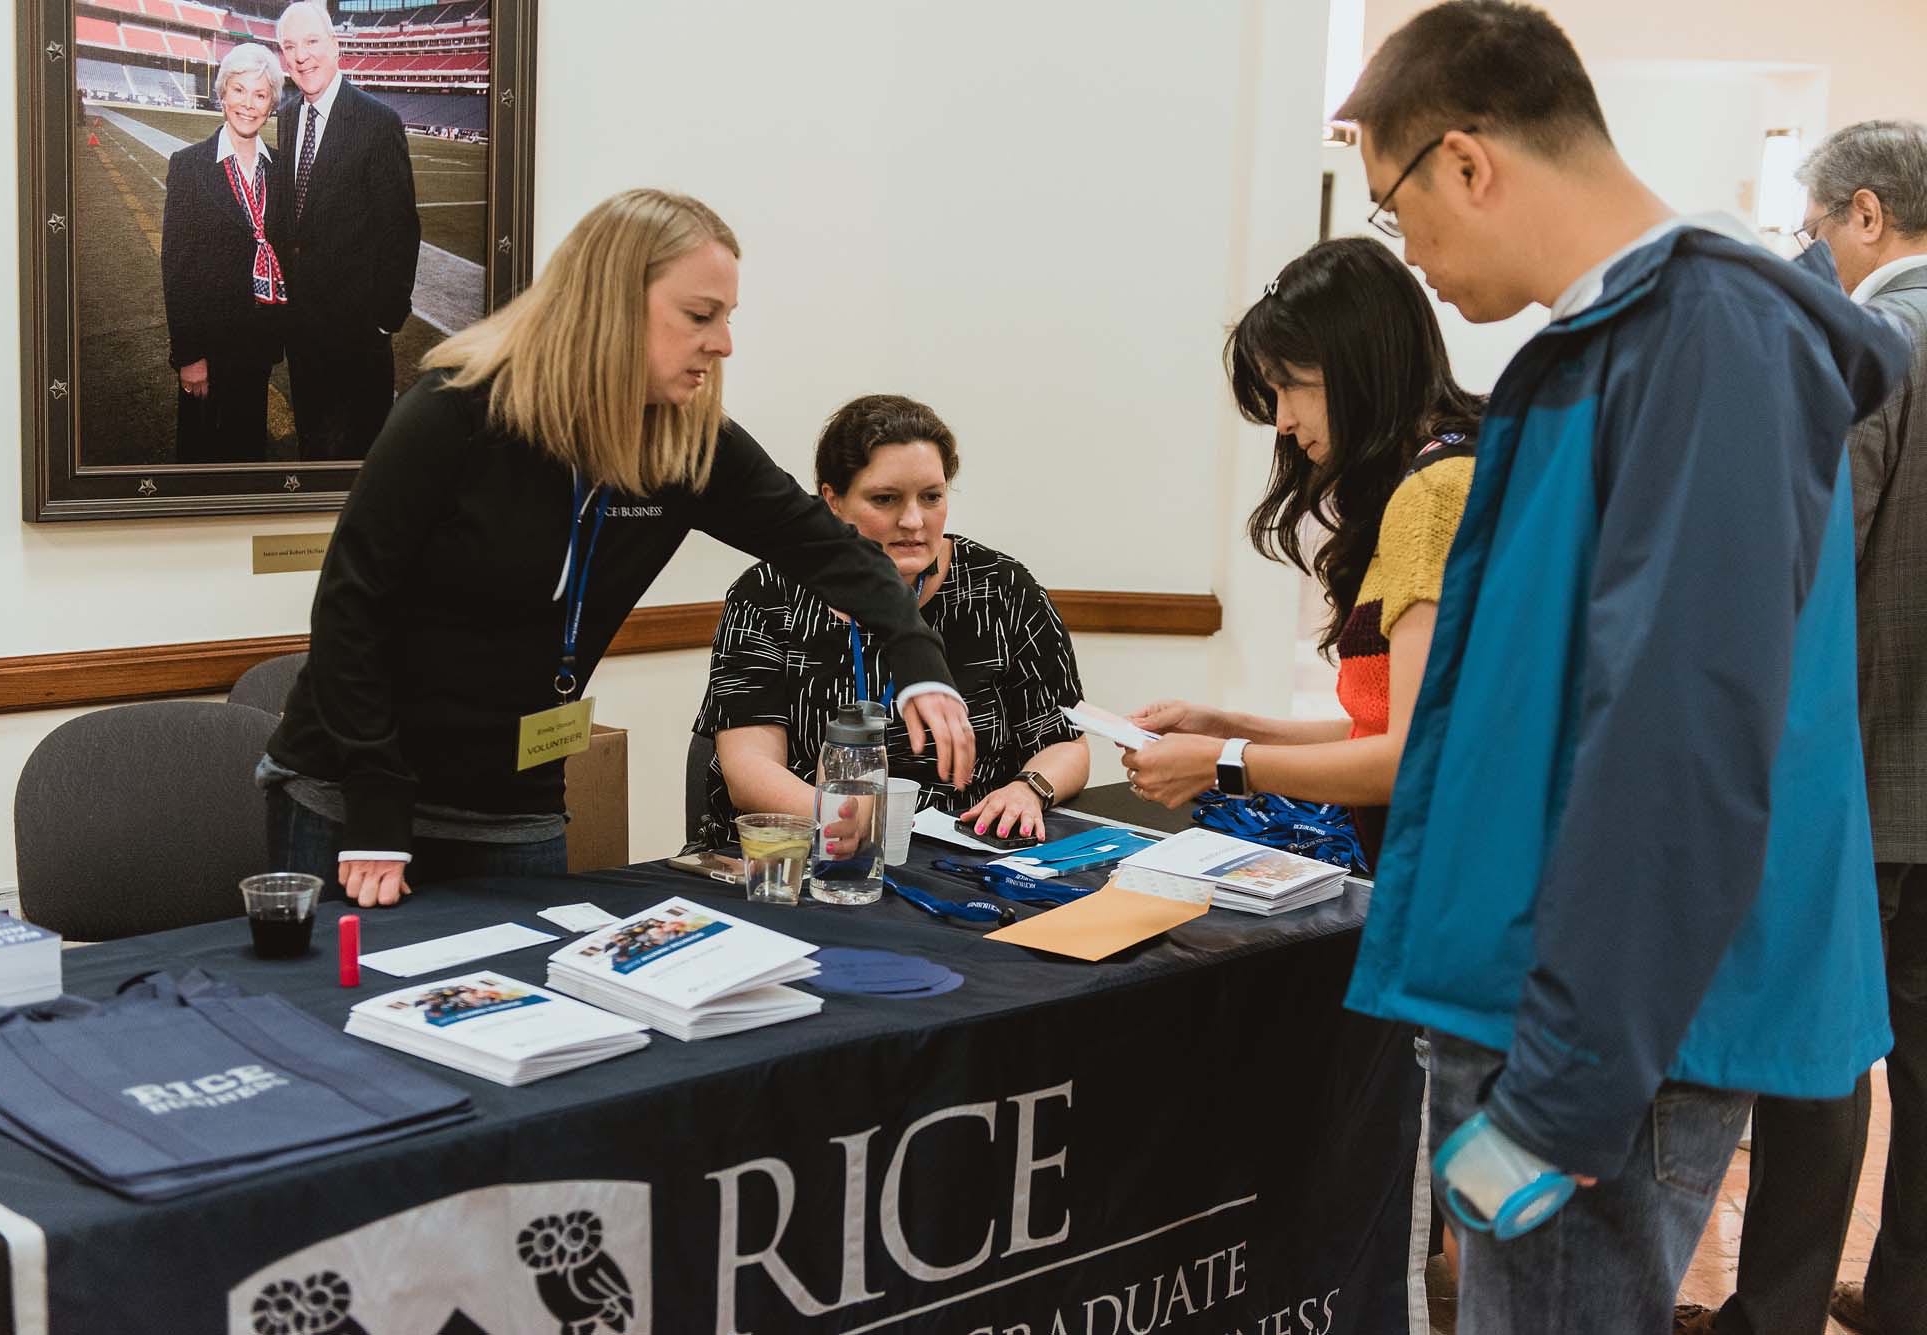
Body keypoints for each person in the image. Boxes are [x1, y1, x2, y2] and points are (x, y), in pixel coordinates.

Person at [1326, 5, 1909, 1333]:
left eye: (1395, 210)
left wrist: (1565, 1086)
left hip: (1598, 1030)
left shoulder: (1706, 339)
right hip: (1551, 993)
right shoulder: (1622, 338)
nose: (1408, 253)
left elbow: (1680, 740)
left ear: (1465, 161)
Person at [260, 190, 975, 909]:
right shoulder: (455, 412)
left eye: (727, 318)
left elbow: (828, 548)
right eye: (700, 315)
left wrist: (918, 659)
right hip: (356, 794)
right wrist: (376, 802)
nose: (723, 343)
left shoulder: (689, 446)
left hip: (513, 801)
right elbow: (351, 609)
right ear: (615, 304)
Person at [1680, 120, 1927, 1335]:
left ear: (1864, 213)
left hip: (1861, 770)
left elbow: (1807, 567)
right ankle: (1904, 1302)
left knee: (1816, 1059)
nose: (1806, 250)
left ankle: (1769, 1316)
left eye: (1812, 225)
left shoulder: (1866, 345)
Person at [1120, 237, 1483, 873]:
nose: (1283, 421)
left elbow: (1413, 756)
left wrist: (1227, 762)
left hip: (1451, 871)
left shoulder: (1433, 493)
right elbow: (1378, 729)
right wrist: (1228, 728)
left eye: (1291, 386)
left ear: (1358, 368)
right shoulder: (1448, 469)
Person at [694, 394, 1088, 849]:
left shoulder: (1001, 589)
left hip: (962, 851)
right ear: (832, 501)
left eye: (931, 497)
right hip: (804, 849)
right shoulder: (768, 594)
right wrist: (845, 821)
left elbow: (1067, 743)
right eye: (885, 499)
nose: (913, 521)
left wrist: (1027, 789)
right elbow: (748, 770)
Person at [273, 0, 420, 461]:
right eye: (289, 47)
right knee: (312, 448)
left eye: (311, 42)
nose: (301, 56)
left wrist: (383, 321)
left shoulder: (378, 122)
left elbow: (400, 229)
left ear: (336, 45)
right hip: (302, 335)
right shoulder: (287, 116)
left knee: (359, 463)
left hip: (358, 339)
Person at [159, 43, 289, 464]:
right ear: (222, 94)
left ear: (271, 104)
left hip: (257, 349)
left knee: (248, 456)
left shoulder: (280, 170)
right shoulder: (189, 165)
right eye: (239, 90)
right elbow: (177, 268)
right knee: (200, 464)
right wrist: (189, 356)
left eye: (260, 94)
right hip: (208, 350)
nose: (248, 104)